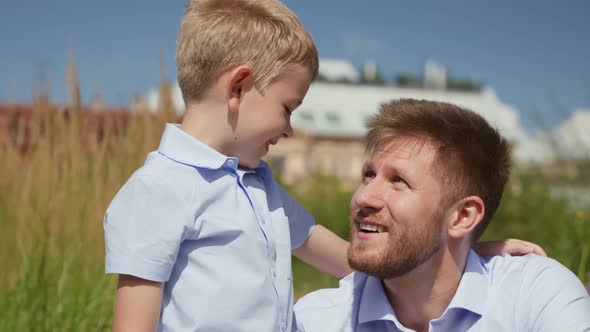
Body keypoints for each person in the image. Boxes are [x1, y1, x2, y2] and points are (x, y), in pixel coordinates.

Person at [104, 1, 544, 331]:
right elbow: (134, 321)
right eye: (288, 107)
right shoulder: (159, 189)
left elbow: (353, 259)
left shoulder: (259, 187)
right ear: (238, 87)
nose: (289, 129)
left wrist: (455, 249)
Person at [294, 99, 590, 332]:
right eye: (369, 175)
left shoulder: (534, 297)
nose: (362, 197)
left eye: (398, 181)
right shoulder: (316, 321)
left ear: (462, 217)